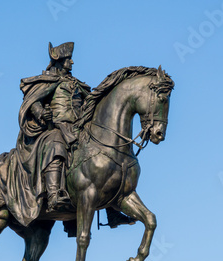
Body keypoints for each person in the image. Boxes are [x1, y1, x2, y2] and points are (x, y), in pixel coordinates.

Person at [10, 41, 134, 227]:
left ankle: (112, 211)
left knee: (103, 157)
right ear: (60, 60)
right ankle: (53, 195)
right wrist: (40, 112)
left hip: (77, 129)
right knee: (55, 144)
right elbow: (32, 100)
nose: (72, 63)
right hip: (55, 128)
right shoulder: (46, 81)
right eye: (69, 59)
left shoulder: (77, 84)